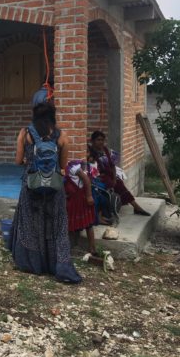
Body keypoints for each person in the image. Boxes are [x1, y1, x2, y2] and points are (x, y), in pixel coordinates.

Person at [8, 102, 82, 283]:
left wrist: (28, 158)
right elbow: (64, 166)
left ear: (34, 116)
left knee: (30, 224)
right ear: (53, 116)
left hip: (31, 184)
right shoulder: (62, 136)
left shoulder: (25, 133)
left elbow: (18, 161)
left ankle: (31, 263)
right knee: (56, 225)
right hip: (54, 187)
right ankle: (59, 265)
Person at [88, 131, 150, 216]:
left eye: (102, 140)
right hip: (98, 177)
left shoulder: (106, 150)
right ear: (92, 141)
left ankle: (135, 206)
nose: (101, 142)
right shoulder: (89, 152)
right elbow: (91, 168)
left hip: (109, 175)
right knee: (116, 186)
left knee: (119, 183)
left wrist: (114, 178)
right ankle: (135, 207)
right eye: (98, 140)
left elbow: (112, 166)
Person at [64, 160, 97, 255]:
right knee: (71, 222)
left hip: (82, 198)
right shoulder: (61, 170)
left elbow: (86, 179)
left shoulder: (73, 168)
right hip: (72, 199)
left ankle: (92, 248)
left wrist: (89, 196)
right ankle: (69, 248)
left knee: (88, 223)